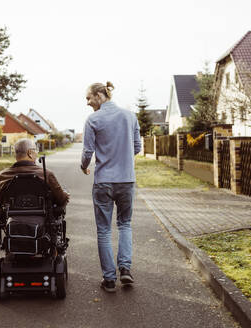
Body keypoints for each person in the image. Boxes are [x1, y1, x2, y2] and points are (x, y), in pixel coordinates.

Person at [81, 81, 141, 293]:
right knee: (125, 224)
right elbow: (137, 147)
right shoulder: (130, 116)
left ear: (99, 95)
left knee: (104, 231)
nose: (87, 103)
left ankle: (109, 279)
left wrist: (84, 167)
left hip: (103, 182)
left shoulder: (93, 120)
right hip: (126, 180)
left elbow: (88, 152)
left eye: (89, 98)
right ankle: (125, 268)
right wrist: (121, 160)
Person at [0, 138, 69, 208]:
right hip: (43, 219)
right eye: (36, 150)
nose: (37, 152)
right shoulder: (46, 174)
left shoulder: (1, 176)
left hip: (11, 218)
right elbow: (61, 200)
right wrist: (65, 195)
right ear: (30, 152)